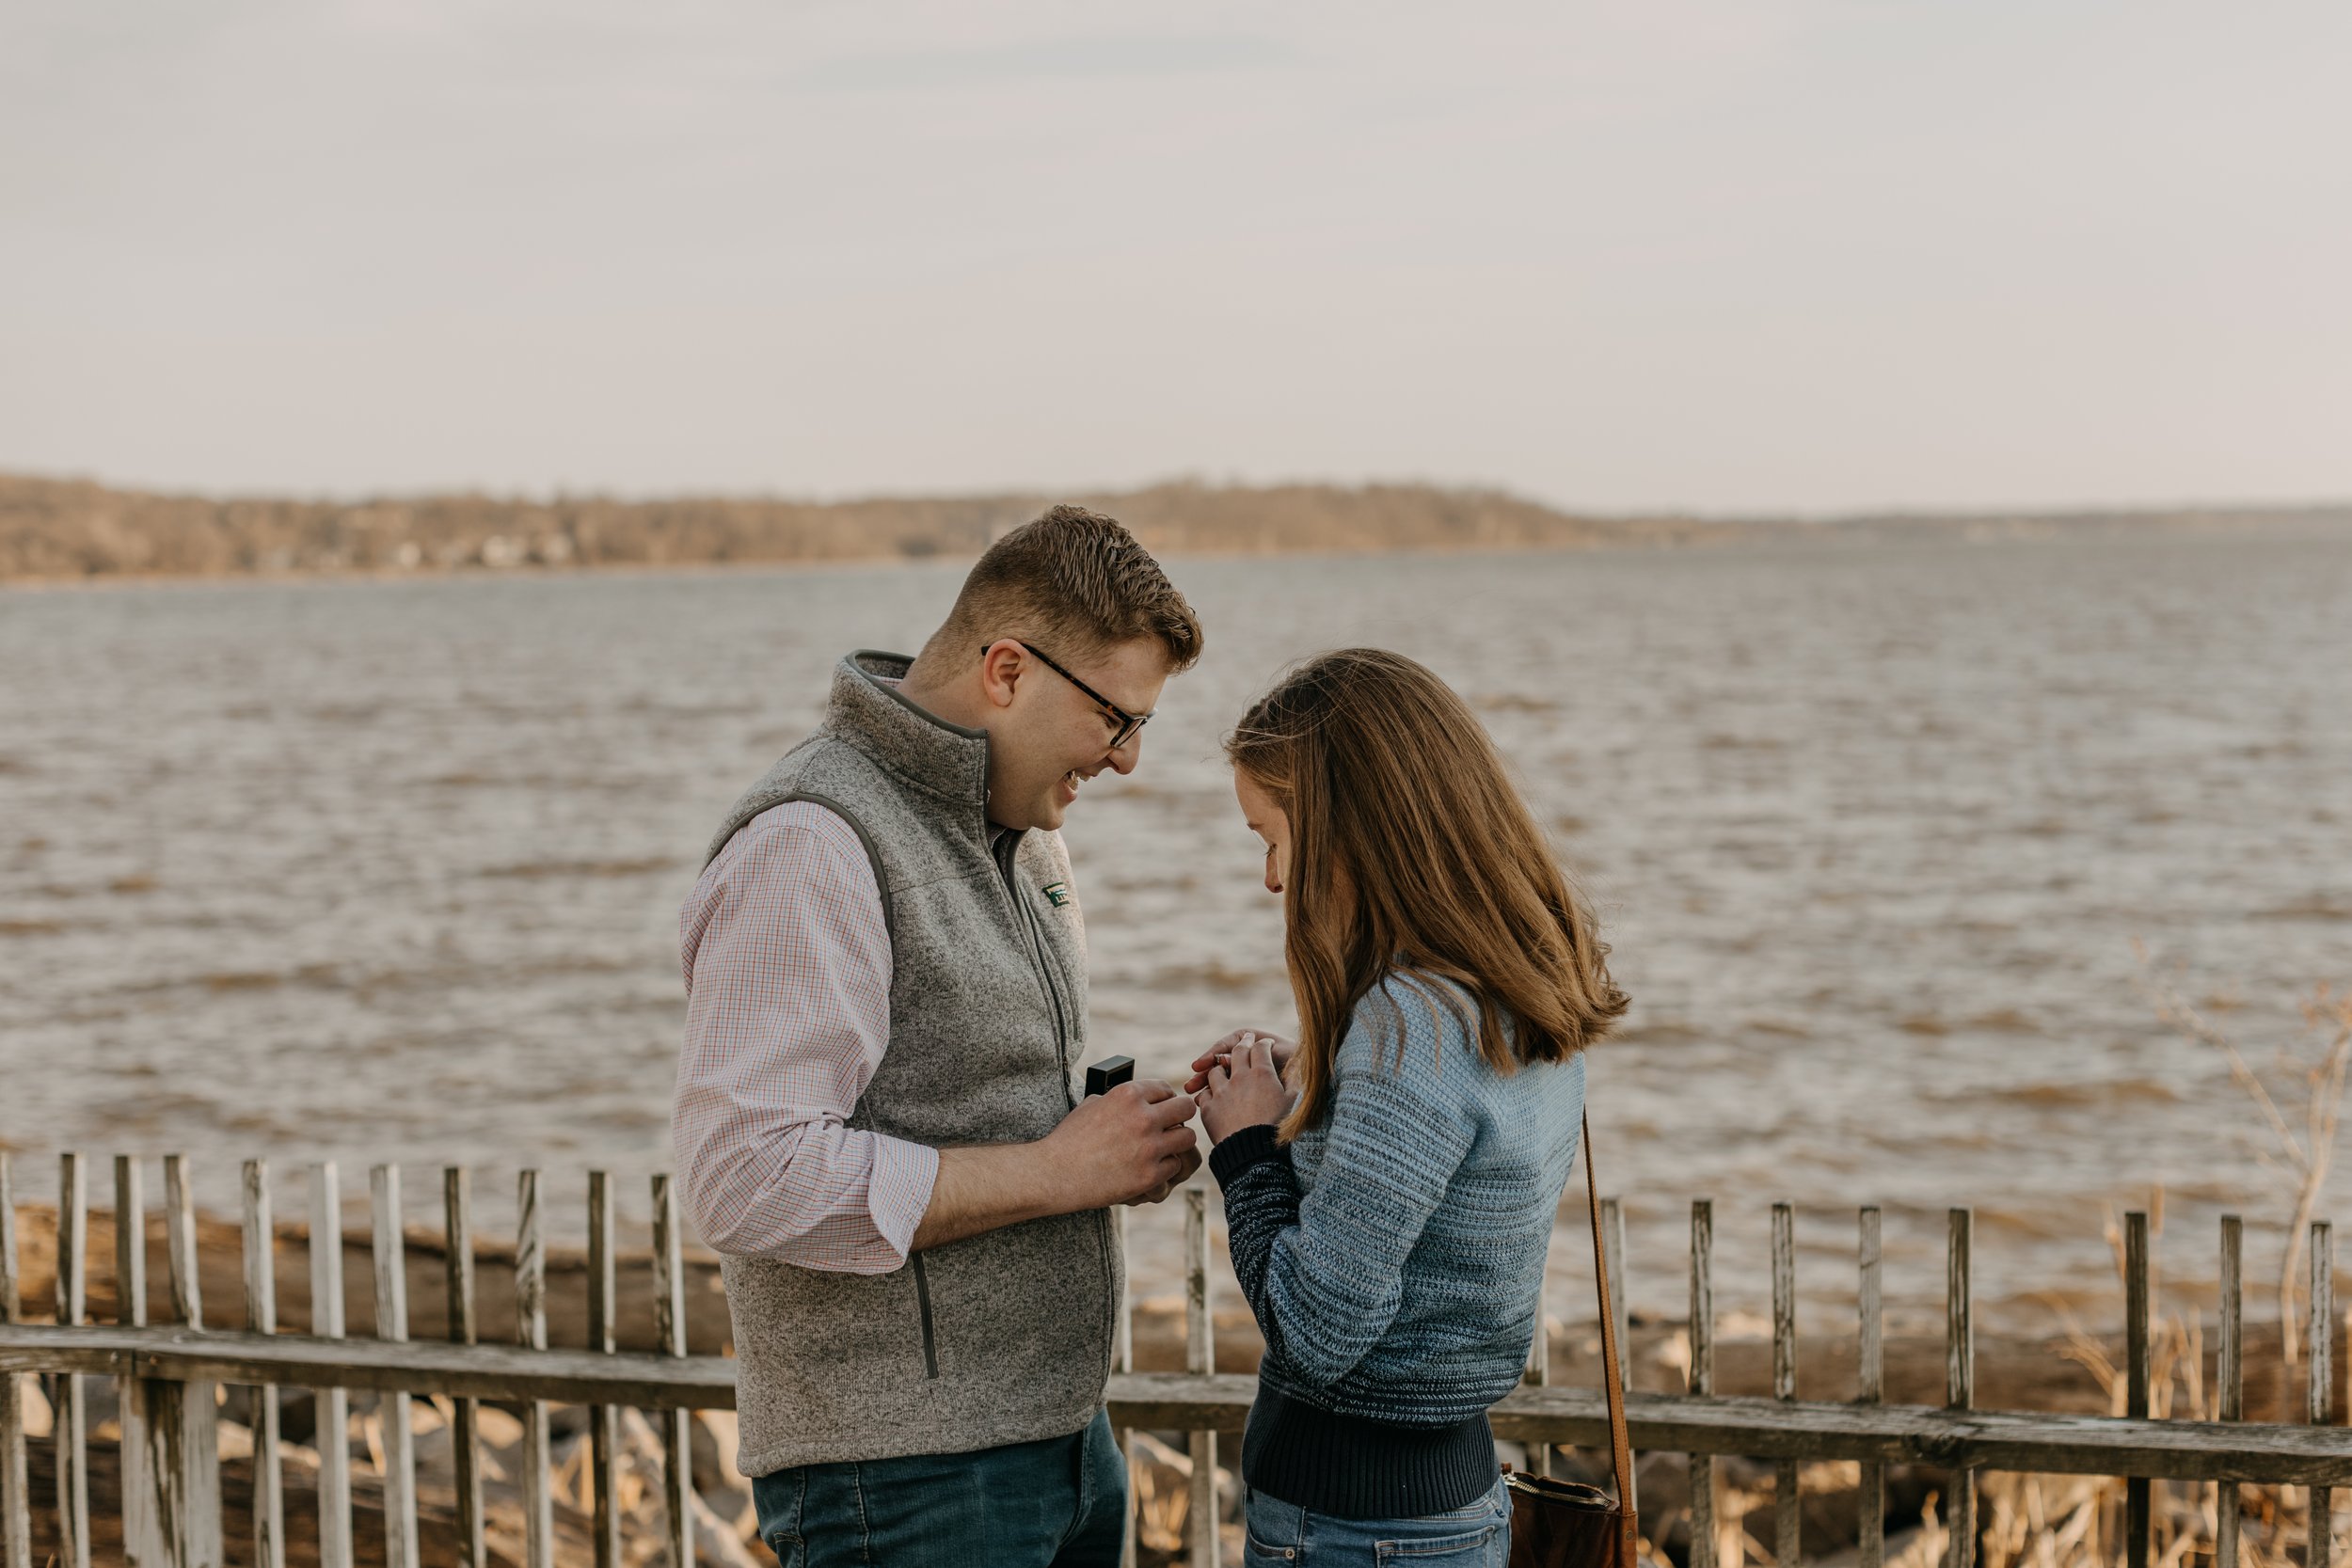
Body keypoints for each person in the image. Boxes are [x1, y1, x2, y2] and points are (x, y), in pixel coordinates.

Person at [673, 506, 1206, 1568]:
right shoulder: (810, 841)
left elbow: (983, 1099)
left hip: (1062, 1439)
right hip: (905, 1482)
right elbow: (742, 1176)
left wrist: (1111, 1149)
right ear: (1007, 669)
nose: (1129, 758)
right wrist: (1057, 1171)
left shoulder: (1027, 834)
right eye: (1116, 717)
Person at [1188, 647, 1629, 1566]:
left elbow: (1317, 1333)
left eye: (1272, 838)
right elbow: (1439, 1185)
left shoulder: (1405, 1024)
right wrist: (1314, 1081)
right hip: (1454, 1503)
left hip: (1351, 1525)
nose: (1271, 879)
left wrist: (1245, 1149)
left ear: (1351, 829)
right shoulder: (1520, 987)